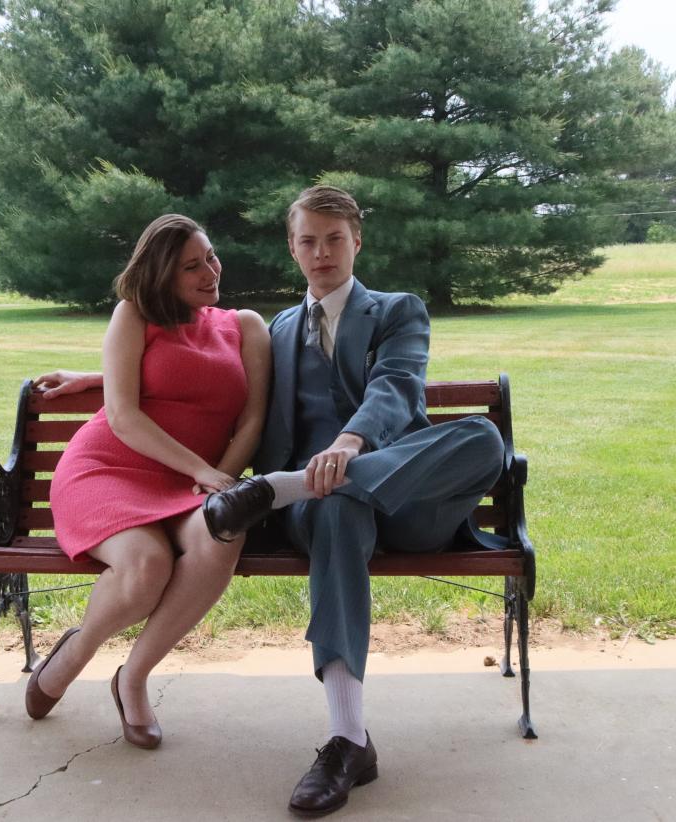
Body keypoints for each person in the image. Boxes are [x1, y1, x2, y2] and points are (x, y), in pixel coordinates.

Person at [202, 186, 505, 816]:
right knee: (335, 506)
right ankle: (347, 739)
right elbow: (203, 368)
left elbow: (396, 388)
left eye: (334, 239)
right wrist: (98, 377)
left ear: (356, 242)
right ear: (292, 248)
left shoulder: (397, 311)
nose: (321, 252)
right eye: (307, 240)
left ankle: (280, 489)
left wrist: (348, 445)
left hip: (408, 507)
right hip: (320, 514)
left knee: (482, 437)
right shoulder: (277, 329)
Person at [27, 214, 270, 749]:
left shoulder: (245, 325)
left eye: (210, 255)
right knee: (146, 566)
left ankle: (132, 678)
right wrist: (203, 471)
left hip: (191, 483)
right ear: (161, 275)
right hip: (109, 470)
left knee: (224, 531)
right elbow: (124, 416)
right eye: (191, 266)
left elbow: (252, 417)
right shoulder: (134, 314)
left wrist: (219, 476)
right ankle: (78, 649)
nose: (209, 271)